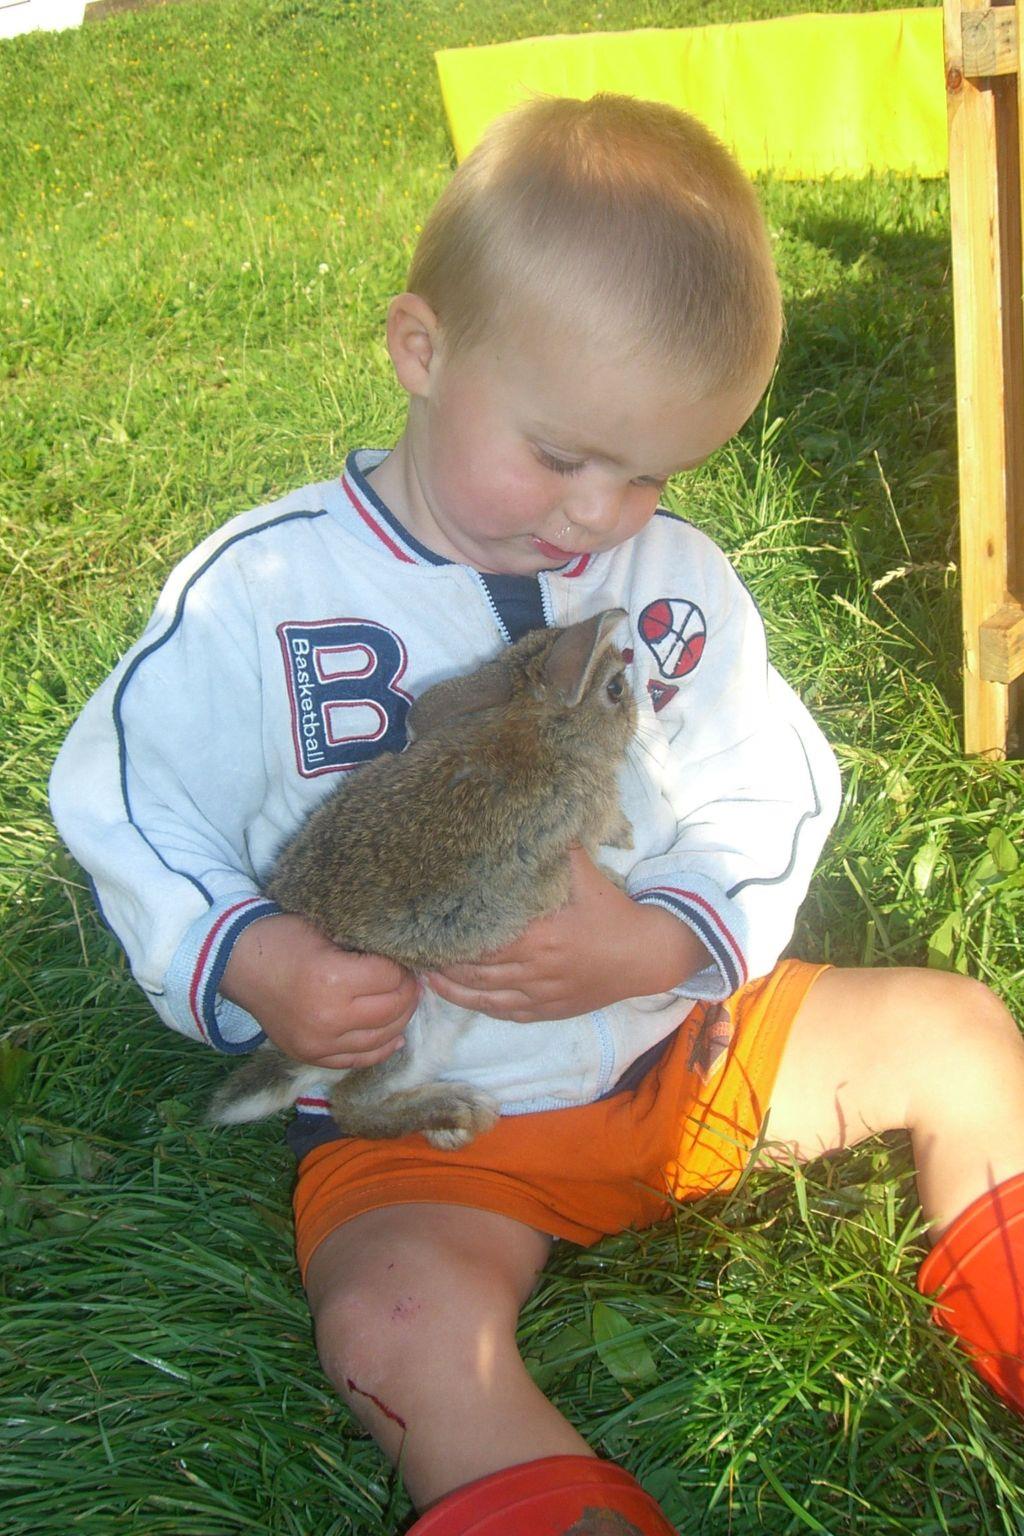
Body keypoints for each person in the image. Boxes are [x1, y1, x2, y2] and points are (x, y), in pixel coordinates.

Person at [49, 94, 1024, 1535]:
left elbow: (769, 779)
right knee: (390, 1323)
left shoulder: (673, 583)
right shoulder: (265, 592)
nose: (599, 516)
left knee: (960, 1033)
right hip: (437, 1133)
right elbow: (127, 802)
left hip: (683, 1049)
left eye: (650, 473)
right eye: (563, 456)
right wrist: (252, 960)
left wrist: (663, 943)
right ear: (421, 349)